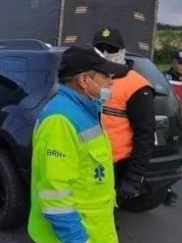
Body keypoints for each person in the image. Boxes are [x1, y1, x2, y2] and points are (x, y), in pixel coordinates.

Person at [28, 46, 128, 243]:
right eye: (106, 76)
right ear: (84, 80)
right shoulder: (60, 120)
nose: (111, 82)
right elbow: (55, 195)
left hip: (96, 229)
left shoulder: (86, 110)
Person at [92, 28, 156, 201]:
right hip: (87, 160)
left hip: (116, 165)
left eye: (111, 49)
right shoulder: (88, 78)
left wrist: (133, 178)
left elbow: (145, 135)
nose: (105, 54)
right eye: (100, 48)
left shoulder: (137, 86)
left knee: (102, 214)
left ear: (121, 51)